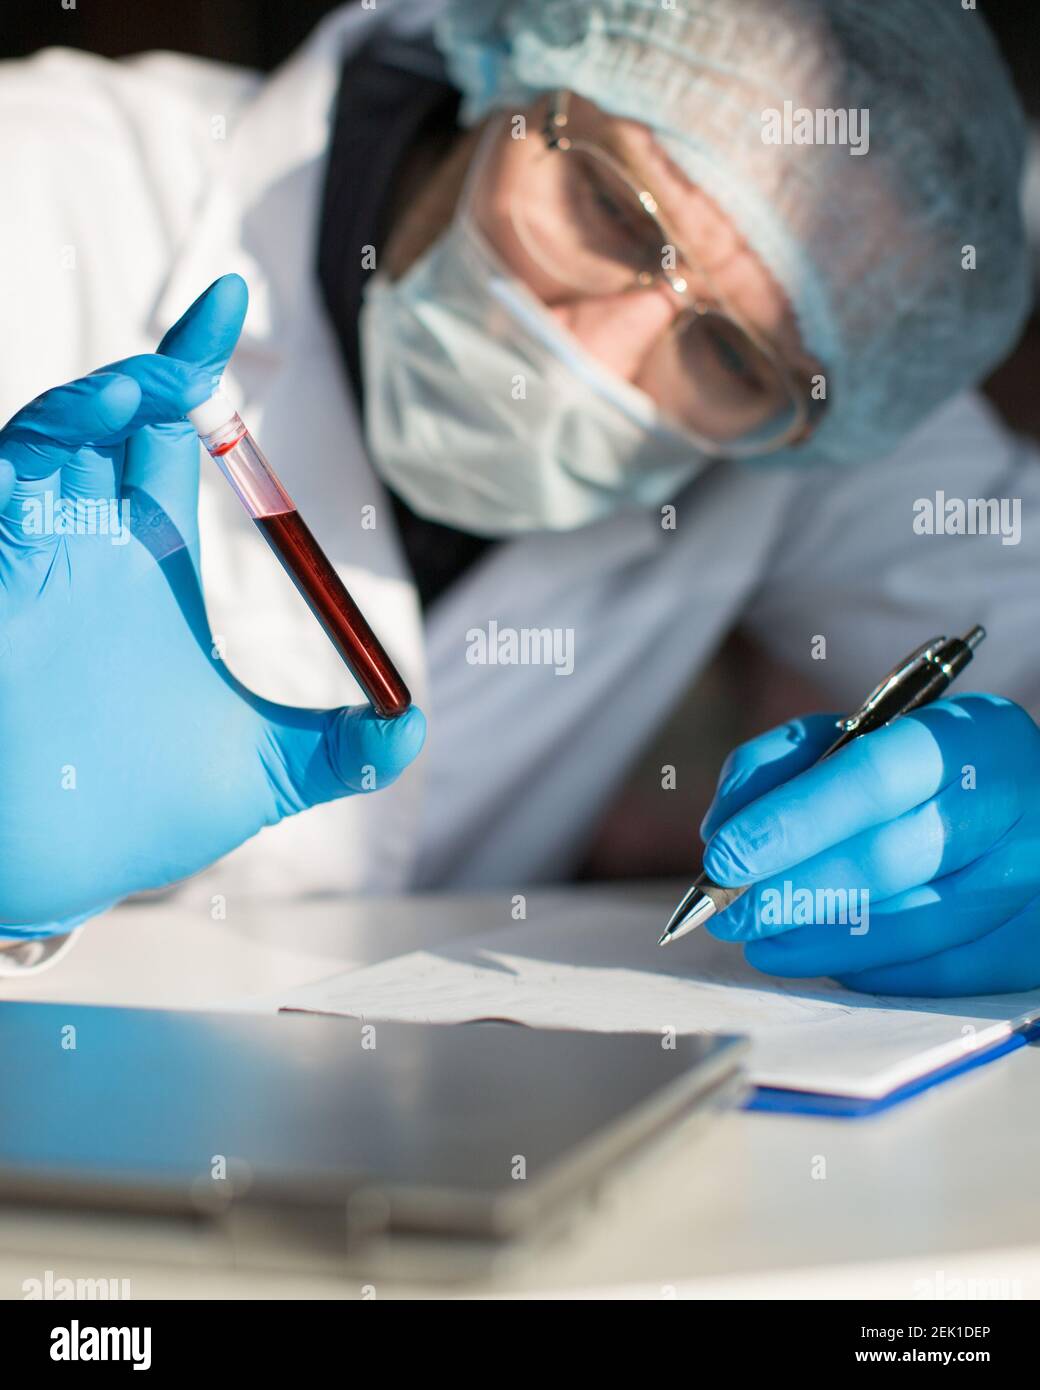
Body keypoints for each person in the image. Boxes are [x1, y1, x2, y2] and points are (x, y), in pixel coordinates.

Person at [0, 0, 1038, 994]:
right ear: (513, 61)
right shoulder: (40, 183)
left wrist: (999, 826)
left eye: (721, 351)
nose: (598, 353)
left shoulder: (805, 401)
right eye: (606, 207)